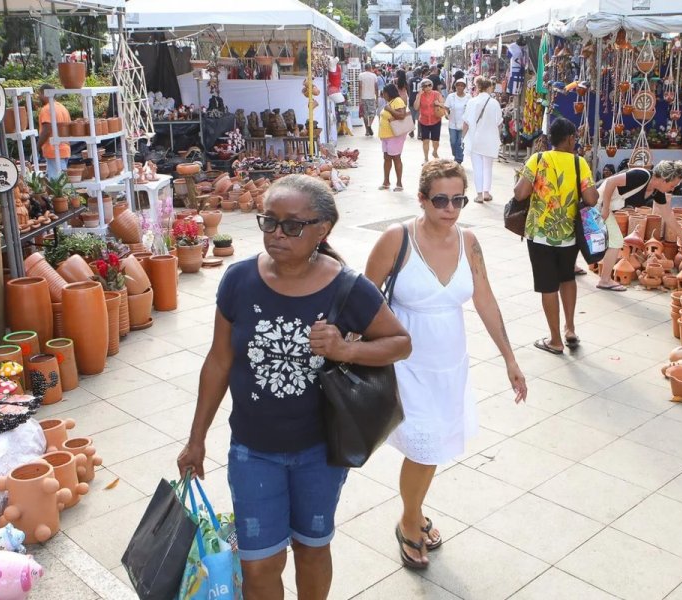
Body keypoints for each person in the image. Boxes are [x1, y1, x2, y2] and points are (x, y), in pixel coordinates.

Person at [175, 174, 411, 600]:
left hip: (320, 453)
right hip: (252, 450)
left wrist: (345, 350)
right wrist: (196, 440)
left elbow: (401, 343)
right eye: (269, 222)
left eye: (292, 225)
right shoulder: (239, 280)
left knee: (311, 548)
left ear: (323, 229)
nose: (277, 234)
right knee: (260, 561)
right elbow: (219, 361)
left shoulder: (348, 287)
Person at [365, 160, 526, 570]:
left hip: (451, 364)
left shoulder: (469, 241)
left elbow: (484, 298)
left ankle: (415, 512)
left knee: (432, 447)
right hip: (406, 364)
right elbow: (363, 299)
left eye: (459, 199)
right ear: (421, 199)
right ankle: (408, 522)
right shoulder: (396, 239)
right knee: (424, 447)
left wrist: (510, 358)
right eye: (440, 199)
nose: (450, 208)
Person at [513, 118, 598, 354]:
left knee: (547, 286)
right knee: (567, 278)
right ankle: (570, 329)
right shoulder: (579, 163)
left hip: (539, 235)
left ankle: (555, 341)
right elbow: (591, 199)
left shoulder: (538, 159)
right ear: (570, 138)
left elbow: (520, 194)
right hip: (569, 235)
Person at [595, 160, 682, 292]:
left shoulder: (657, 192)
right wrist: (605, 208)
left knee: (609, 239)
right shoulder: (642, 175)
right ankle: (603, 279)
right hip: (596, 201)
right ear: (663, 179)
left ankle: (601, 278)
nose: (672, 189)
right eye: (672, 185)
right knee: (614, 240)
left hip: (604, 207)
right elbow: (611, 182)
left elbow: (668, 216)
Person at [461, 77, 501, 203]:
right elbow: (499, 123)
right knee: (488, 167)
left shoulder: (472, 102)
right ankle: (486, 193)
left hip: (474, 139)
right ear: (489, 87)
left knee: (477, 167)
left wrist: (463, 137)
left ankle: (479, 195)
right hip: (490, 139)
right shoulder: (495, 103)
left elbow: (466, 123)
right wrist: (498, 138)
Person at [378, 83, 409, 192]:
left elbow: (401, 115)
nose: (383, 95)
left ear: (388, 93)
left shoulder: (398, 101)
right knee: (386, 158)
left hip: (394, 136)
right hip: (386, 136)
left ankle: (399, 183)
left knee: (396, 158)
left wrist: (389, 109)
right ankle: (386, 182)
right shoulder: (390, 102)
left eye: (384, 93)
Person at [38, 84, 71, 179]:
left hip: (54, 150)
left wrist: (37, 147)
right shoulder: (62, 107)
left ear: (45, 94)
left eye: (40, 94)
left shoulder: (47, 109)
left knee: (58, 185)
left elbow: (47, 130)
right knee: (60, 181)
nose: (39, 97)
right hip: (65, 149)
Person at [415, 79, 444, 163]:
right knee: (425, 141)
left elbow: (444, 105)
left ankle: (435, 151)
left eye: (429, 85)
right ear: (422, 87)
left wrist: (438, 103)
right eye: (425, 86)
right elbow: (416, 107)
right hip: (424, 121)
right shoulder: (420, 95)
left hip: (436, 120)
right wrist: (419, 95)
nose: (428, 87)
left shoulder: (436, 94)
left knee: (436, 141)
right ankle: (426, 158)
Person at [444, 79, 470, 164]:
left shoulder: (468, 97)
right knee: (453, 141)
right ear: (455, 86)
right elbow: (446, 108)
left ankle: (458, 159)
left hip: (464, 124)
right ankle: (455, 154)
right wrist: (446, 114)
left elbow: (471, 110)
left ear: (464, 87)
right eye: (458, 85)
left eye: (462, 85)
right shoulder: (451, 96)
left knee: (460, 142)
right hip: (452, 124)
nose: (460, 87)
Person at [359, 64, 380, 136]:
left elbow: (360, 87)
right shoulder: (374, 76)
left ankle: (367, 130)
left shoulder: (361, 75)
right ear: (370, 68)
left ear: (365, 68)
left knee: (365, 115)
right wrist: (377, 98)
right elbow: (376, 88)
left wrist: (360, 98)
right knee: (373, 113)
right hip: (371, 97)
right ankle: (369, 125)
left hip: (364, 97)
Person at [407, 67, 423, 138]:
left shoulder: (411, 80)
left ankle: (412, 132)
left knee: (412, 117)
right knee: (420, 117)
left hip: (412, 100)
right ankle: (419, 134)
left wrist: (410, 95)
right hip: (420, 101)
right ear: (420, 74)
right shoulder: (422, 81)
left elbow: (408, 89)